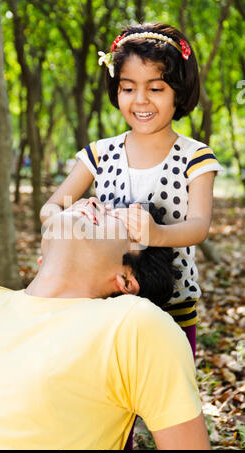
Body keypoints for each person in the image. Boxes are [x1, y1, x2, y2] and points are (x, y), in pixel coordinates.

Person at [0, 201, 211, 450]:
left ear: (127, 280)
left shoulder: (132, 325)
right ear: (43, 253)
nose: (94, 202)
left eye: (115, 217)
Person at [40, 22, 225, 360]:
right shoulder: (99, 153)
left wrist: (155, 234)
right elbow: (52, 207)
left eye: (155, 89)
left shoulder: (195, 156)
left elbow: (199, 226)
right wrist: (72, 216)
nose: (140, 100)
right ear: (117, 90)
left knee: (166, 393)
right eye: (128, 88)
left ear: (178, 92)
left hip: (172, 304)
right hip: (100, 302)